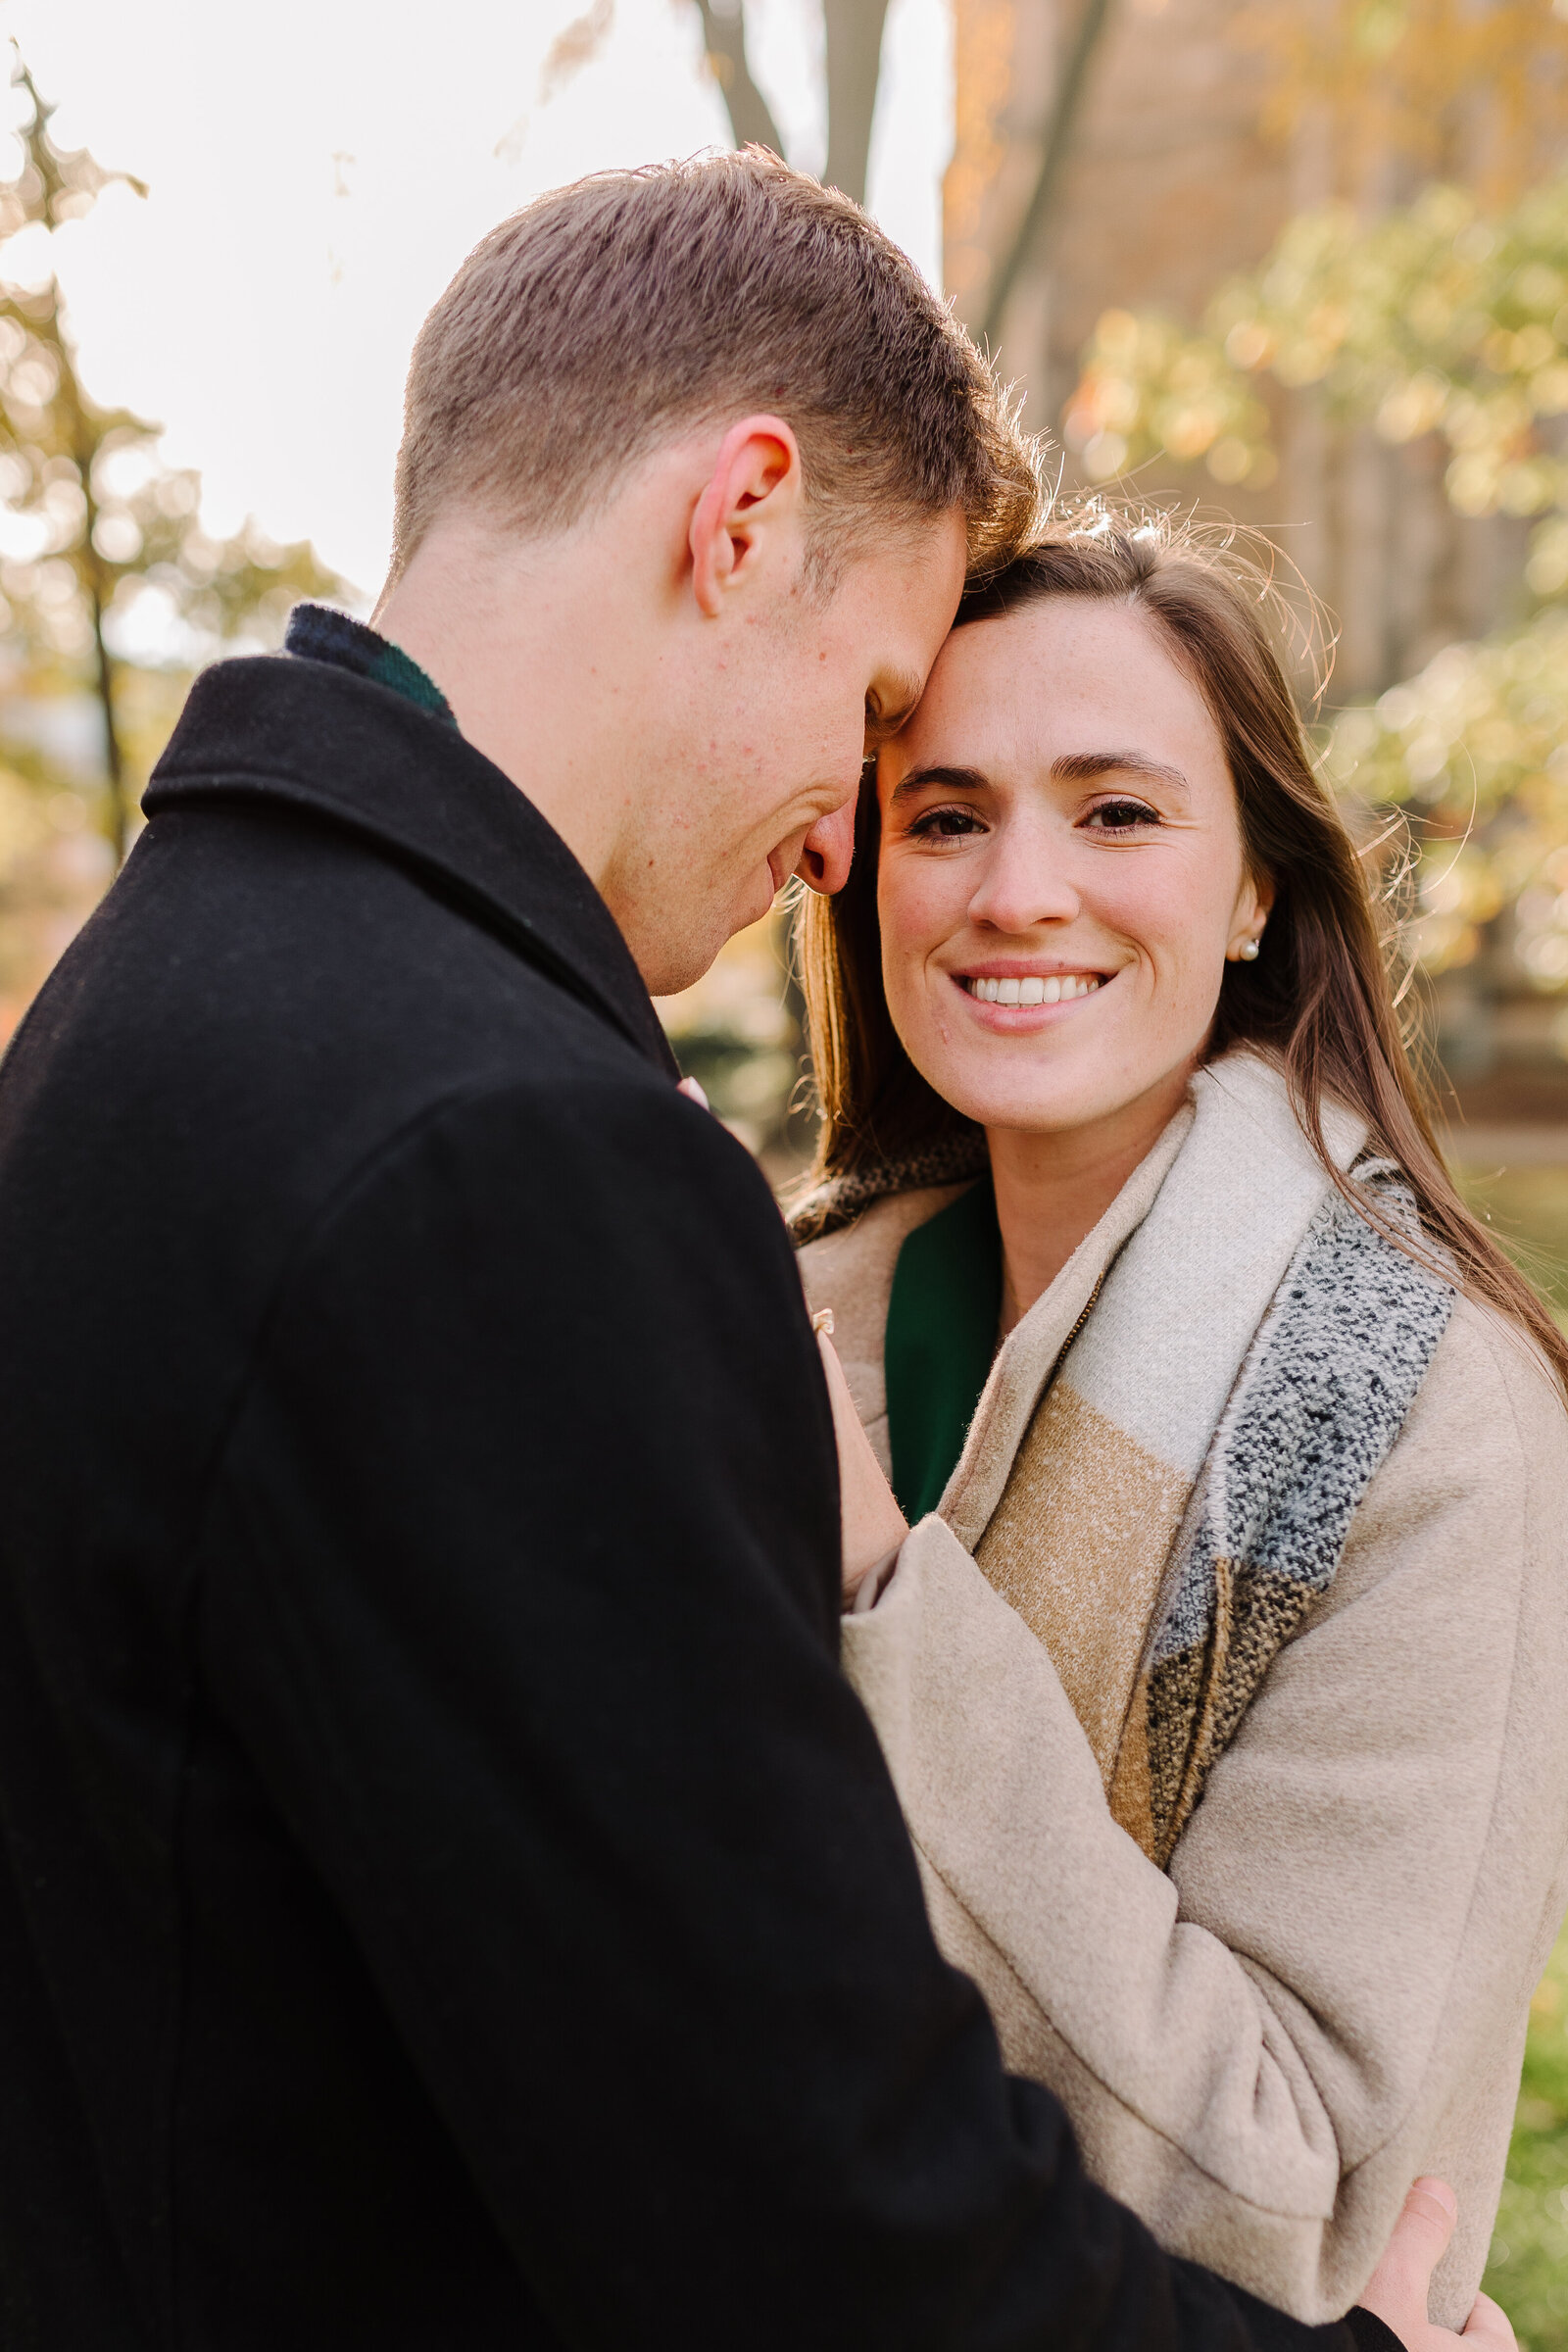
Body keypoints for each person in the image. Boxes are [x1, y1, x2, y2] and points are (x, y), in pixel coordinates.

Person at [0, 151, 1497, 2352]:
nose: (846, 831)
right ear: (738, 520)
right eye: (890, 717)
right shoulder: (507, 1155)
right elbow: (801, 2214)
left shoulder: (131, 1006)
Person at [794, 515, 1568, 2330]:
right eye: (947, 815)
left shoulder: (1423, 1418)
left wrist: (874, 1581)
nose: (1018, 891)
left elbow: (1305, 2197)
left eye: (1119, 812)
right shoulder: (786, 1312)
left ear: (1254, 894)